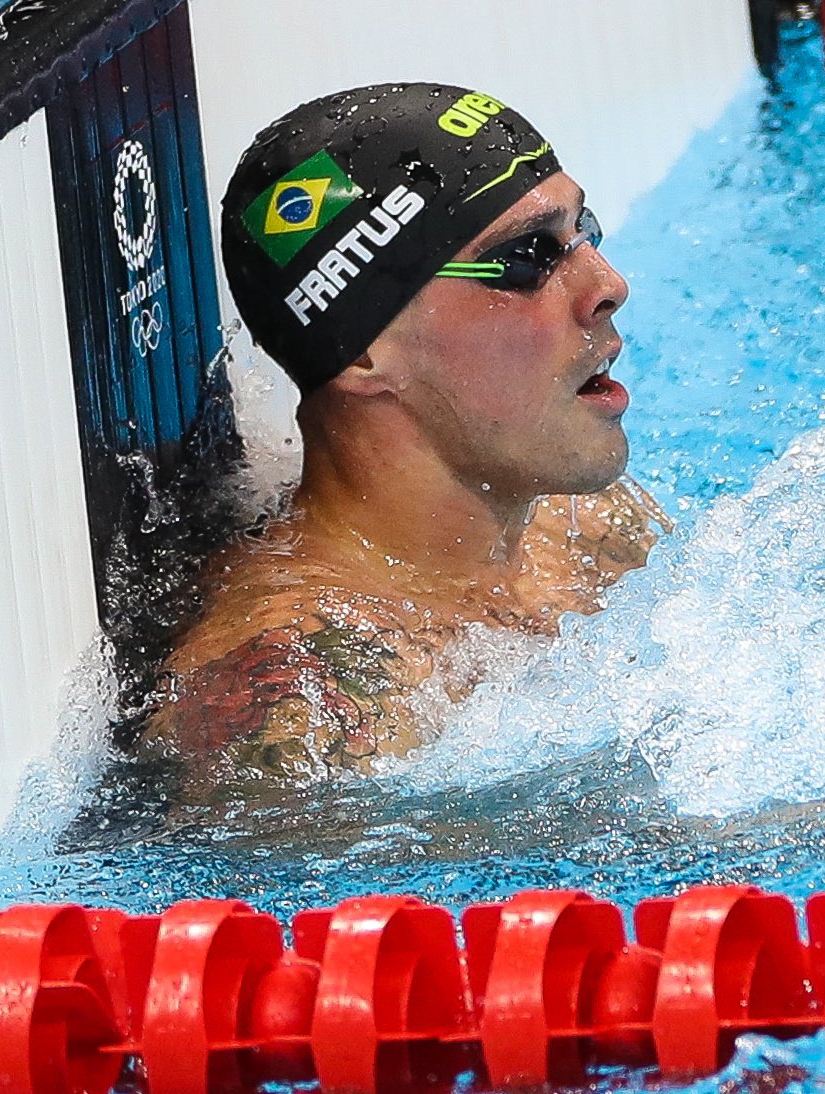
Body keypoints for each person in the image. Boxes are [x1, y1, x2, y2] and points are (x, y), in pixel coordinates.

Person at [143, 84, 667, 787]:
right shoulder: (308, 706)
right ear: (363, 349)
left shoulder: (588, 527)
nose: (608, 285)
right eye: (526, 258)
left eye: (584, 232)